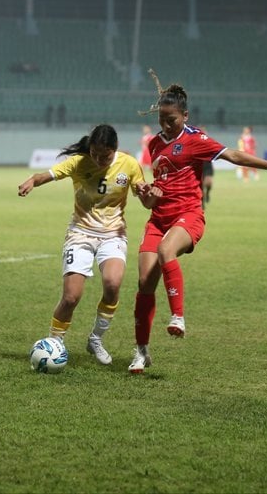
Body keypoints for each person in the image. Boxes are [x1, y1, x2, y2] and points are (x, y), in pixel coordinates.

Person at [128, 82, 267, 374]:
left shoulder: (197, 139)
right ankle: (141, 351)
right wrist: (147, 194)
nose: (166, 126)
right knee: (145, 284)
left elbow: (233, 155)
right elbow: (152, 197)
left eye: (171, 120)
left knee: (165, 250)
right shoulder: (155, 144)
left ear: (184, 115)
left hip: (188, 215)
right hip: (158, 219)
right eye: (161, 121)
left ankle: (178, 317)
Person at [17, 125, 159, 366]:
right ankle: (54, 344)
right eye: (94, 153)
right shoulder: (79, 163)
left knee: (113, 284)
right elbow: (48, 174)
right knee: (71, 297)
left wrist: (151, 194)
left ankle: (95, 339)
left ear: (114, 150)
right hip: (80, 233)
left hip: (113, 234)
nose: (99, 159)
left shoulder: (129, 165)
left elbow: (146, 201)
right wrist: (32, 181)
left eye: (105, 155)